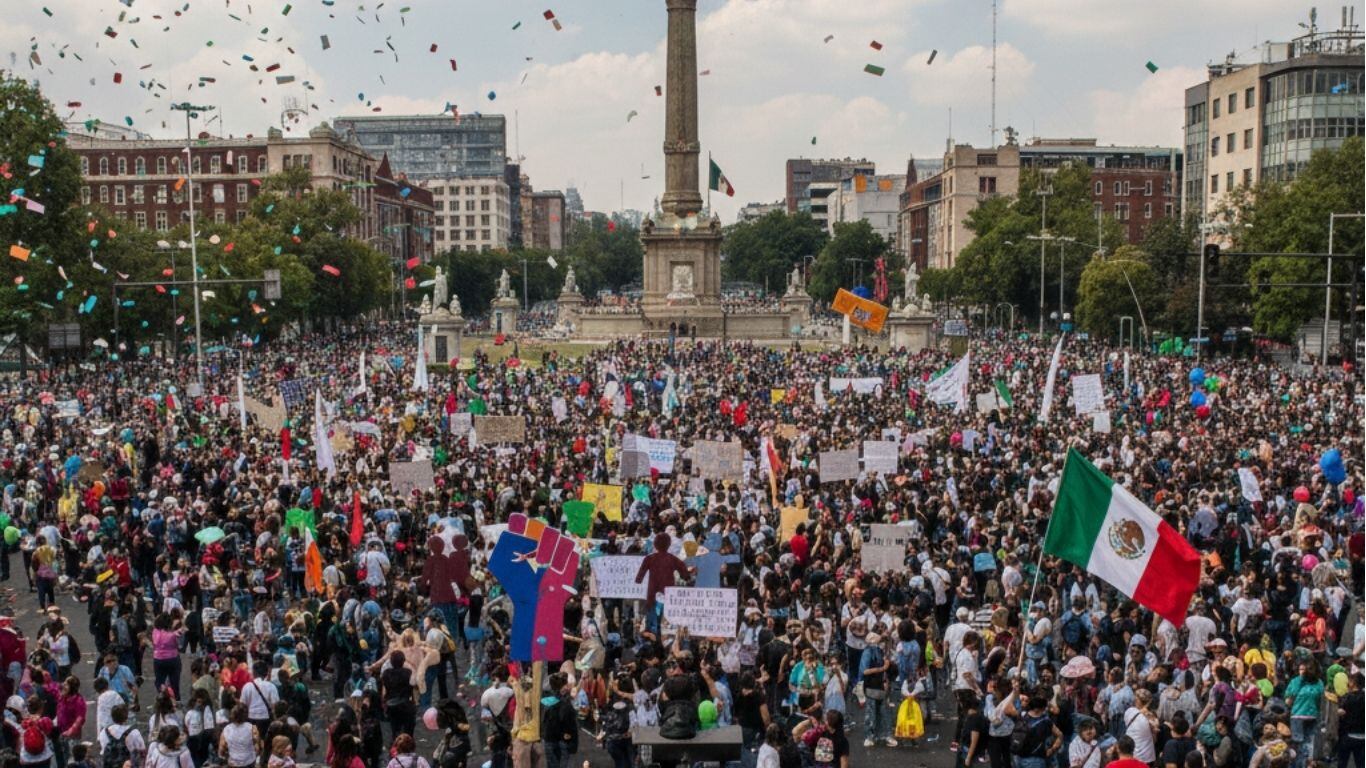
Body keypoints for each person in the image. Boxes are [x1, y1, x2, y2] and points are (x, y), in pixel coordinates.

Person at [539, 673, 577, 768]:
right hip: (562, 741)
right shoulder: (565, 704)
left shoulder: (544, 701)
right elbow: (571, 725)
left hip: (548, 739)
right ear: (563, 686)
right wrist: (573, 743)